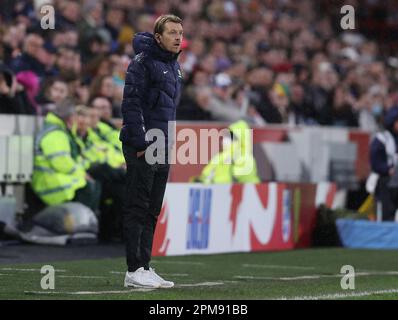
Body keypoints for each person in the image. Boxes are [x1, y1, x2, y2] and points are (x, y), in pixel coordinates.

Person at [120, 14, 183, 289]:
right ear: (158, 37)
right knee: (138, 206)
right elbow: (131, 104)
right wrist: (143, 143)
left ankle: (144, 266)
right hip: (144, 144)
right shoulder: (143, 63)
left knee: (152, 209)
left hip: (162, 145)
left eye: (180, 32)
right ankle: (133, 269)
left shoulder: (173, 66)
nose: (178, 37)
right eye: (172, 32)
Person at [31, 99, 101, 213]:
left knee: (94, 185)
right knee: (89, 188)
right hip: (50, 184)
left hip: (54, 179)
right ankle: (81, 227)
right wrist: (82, 174)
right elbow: (61, 162)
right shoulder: (55, 133)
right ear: (70, 118)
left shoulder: (57, 130)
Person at [368, 106, 398, 221]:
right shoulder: (382, 138)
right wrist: (386, 169)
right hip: (386, 181)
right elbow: (374, 160)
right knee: (387, 212)